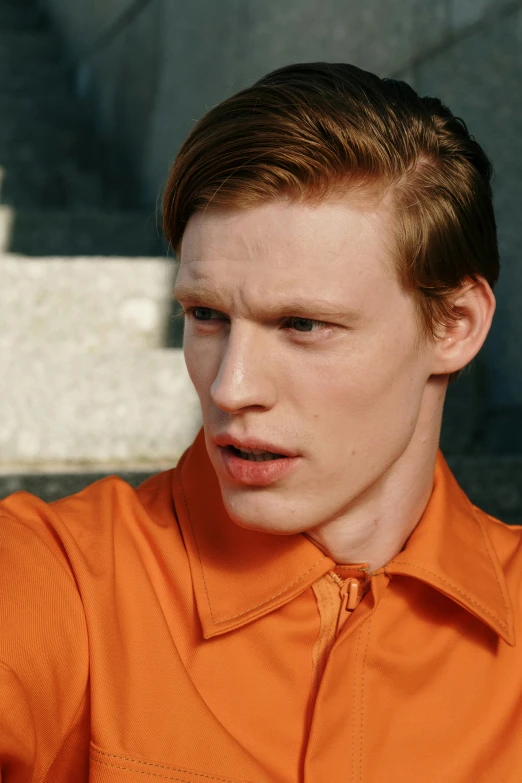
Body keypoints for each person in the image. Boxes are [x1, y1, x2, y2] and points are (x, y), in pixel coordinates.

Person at [0, 61, 519, 783]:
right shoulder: (61, 578)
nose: (230, 385)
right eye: (206, 315)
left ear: (455, 325)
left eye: (303, 324)